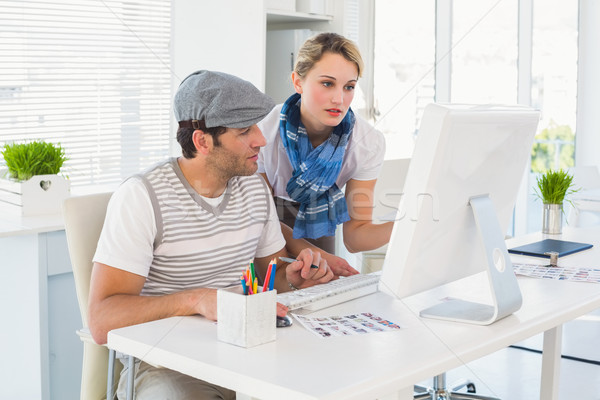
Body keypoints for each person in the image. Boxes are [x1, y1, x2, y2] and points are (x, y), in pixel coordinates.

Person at [88, 70, 338, 400]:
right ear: (202, 141)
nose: (260, 140)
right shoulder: (142, 196)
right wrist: (195, 299)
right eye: (244, 131)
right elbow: (101, 321)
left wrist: (294, 279)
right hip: (166, 366)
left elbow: (269, 279)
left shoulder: (253, 187)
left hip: (246, 349)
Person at [257, 32, 392, 255]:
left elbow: (355, 238)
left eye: (349, 87)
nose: (339, 99)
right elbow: (258, 221)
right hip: (263, 241)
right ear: (298, 82)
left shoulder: (368, 143)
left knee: (322, 287)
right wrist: (313, 255)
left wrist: (408, 226)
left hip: (320, 235)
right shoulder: (263, 134)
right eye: (327, 83)